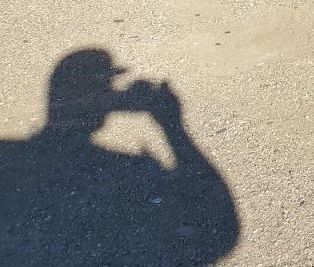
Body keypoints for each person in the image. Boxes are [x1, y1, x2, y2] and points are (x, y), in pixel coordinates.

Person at [0, 49, 239, 266]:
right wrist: (172, 125)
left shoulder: (10, 157)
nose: (114, 92)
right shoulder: (126, 173)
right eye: (107, 87)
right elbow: (219, 226)